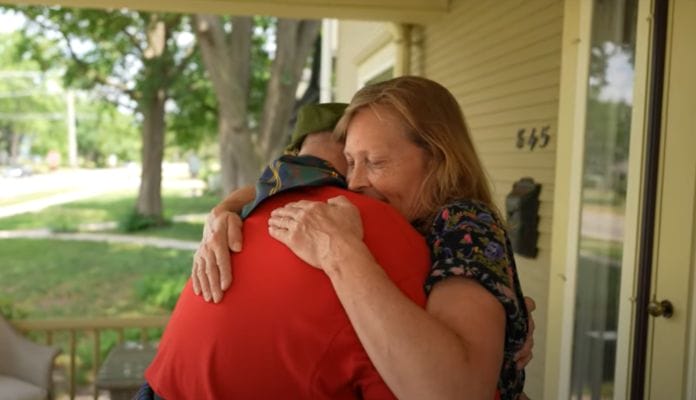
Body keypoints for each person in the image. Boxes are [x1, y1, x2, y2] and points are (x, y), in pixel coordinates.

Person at [193, 77, 532, 399]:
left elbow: (454, 391)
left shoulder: (466, 222)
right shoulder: (406, 214)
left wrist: (340, 253)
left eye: (376, 162)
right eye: (351, 162)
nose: (353, 183)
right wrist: (227, 207)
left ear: (438, 158)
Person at [143, 103, 434, 399]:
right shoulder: (385, 225)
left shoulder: (254, 206)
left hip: (158, 384)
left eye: (376, 161)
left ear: (295, 158)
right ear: (351, 154)